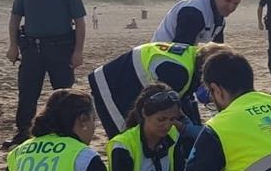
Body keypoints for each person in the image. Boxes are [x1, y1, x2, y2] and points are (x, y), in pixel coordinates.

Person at [4, 0, 87, 150]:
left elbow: (80, 22)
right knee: (27, 92)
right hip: (32, 49)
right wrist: (13, 46)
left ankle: (67, 133)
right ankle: (23, 135)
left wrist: (78, 51)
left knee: (64, 94)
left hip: (60, 49)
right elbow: (15, 17)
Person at [88, 41, 231, 137]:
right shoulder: (180, 74)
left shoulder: (193, 55)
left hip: (130, 79)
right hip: (111, 86)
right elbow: (161, 112)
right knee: (126, 138)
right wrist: (188, 128)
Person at [152, 0, 245, 45]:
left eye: (236, 3)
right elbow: (180, 52)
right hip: (158, 58)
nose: (231, 8)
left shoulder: (220, 19)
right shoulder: (193, 12)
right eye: (227, 0)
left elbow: (218, 52)